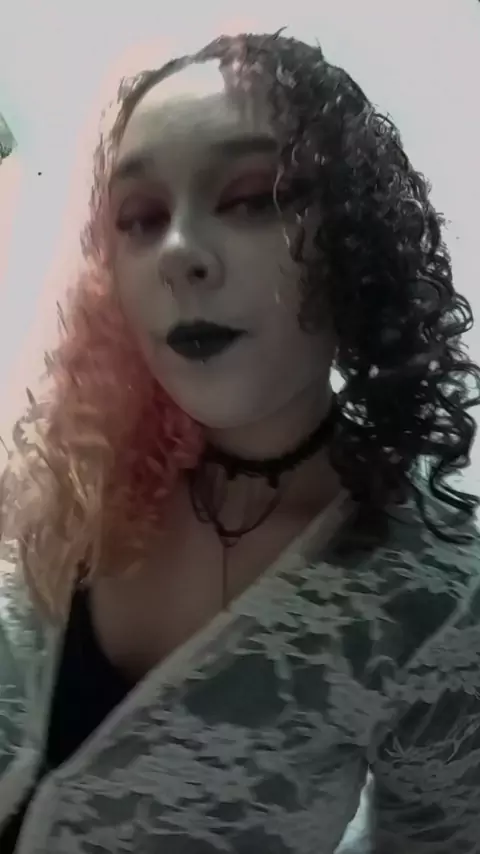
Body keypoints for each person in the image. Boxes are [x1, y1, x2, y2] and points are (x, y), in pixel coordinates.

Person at [0, 29, 479, 854]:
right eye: (140, 218)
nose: (179, 253)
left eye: (254, 198)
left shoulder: (435, 596)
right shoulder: (65, 468)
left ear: (354, 238)